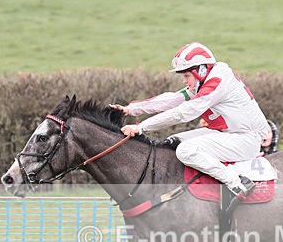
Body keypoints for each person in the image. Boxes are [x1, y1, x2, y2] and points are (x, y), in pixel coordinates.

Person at [111, 42, 272, 203]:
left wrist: (141, 127)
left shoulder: (218, 81)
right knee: (171, 143)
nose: (184, 81)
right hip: (227, 134)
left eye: (187, 76)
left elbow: (183, 113)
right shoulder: (205, 81)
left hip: (246, 140)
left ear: (201, 70)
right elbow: (171, 100)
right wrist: (130, 109)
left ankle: (237, 183)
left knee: (185, 150)